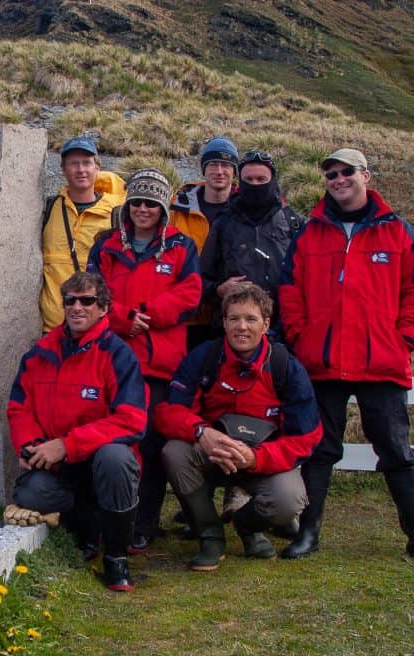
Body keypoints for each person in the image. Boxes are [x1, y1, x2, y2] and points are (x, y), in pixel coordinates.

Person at [278, 148, 414, 565]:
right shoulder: (309, 233)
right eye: (330, 174)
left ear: (365, 175)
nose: (338, 179)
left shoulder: (400, 232)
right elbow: (289, 292)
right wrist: (301, 337)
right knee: (319, 449)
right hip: (323, 363)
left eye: (346, 171)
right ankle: (308, 533)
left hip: (380, 363)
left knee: (395, 448)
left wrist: (404, 339)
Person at [155, 283, 321, 570]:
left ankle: (246, 526)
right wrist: (201, 432)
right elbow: (167, 412)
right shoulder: (205, 357)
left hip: (261, 460)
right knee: (174, 453)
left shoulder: (285, 366)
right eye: (234, 319)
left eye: (251, 319)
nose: (241, 327)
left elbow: (306, 437)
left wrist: (256, 458)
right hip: (212, 454)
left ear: (266, 324)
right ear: (223, 322)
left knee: (288, 500)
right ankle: (210, 536)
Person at [7, 271, 148, 591]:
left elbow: (131, 419)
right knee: (30, 492)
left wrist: (68, 445)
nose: (77, 308)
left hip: (100, 462)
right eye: (70, 301)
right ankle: (86, 527)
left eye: (87, 301)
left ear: (103, 308)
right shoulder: (39, 353)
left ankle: (115, 557)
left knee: (116, 459)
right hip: (61, 468)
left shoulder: (118, 355)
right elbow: (19, 408)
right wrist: (30, 445)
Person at [87, 168, 201, 553]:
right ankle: (107, 519)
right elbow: (92, 292)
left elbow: (190, 294)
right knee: (113, 440)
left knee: (151, 446)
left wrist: (145, 314)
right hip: (113, 360)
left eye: (151, 203)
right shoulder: (104, 246)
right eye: (136, 202)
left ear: (163, 208)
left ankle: (144, 522)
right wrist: (121, 320)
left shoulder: (182, 246)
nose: (142, 209)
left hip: (159, 364)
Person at [200, 149, 303, 338]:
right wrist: (219, 290)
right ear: (241, 181)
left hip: (284, 331)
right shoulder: (223, 223)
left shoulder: (293, 222)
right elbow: (199, 279)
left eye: (261, 179)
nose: (255, 184)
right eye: (249, 179)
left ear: (273, 180)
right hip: (231, 332)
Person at [39, 135, 126, 333]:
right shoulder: (49, 208)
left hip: (98, 328)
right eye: (74, 164)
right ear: (63, 169)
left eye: (87, 163)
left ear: (97, 168)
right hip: (53, 329)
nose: (81, 170)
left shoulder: (116, 212)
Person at [168, 136, 238, 350]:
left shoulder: (245, 211)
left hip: (228, 318)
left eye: (226, 165)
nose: (219, 171)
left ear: (235, 172)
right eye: (213, 164)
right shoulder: (177, 209)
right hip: (184, 317)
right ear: (203, 169)